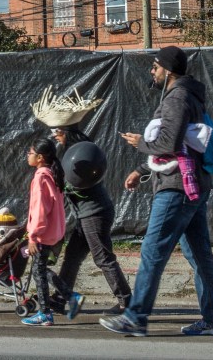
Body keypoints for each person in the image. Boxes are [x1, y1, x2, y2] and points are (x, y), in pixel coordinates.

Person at [100, 46, 213, 338]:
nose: (152, 71)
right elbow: (184, 148)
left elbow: (169, 144)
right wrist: (142, 169)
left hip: (175, 189)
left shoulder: (177, 98)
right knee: (199, 255)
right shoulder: (191, 97)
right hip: (192, 185)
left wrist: (140, 144)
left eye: (155, 66)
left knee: (152, 251)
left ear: (168, 70)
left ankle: (135, 317)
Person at [49, 125, 132, 318]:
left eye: (58, 132)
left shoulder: (81, 156)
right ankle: (60, 299)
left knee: (103, 257)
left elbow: (71, 184)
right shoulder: (74, 152)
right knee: (72, 256)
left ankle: (127, 301)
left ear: (67, 132)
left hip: (94, 214)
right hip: (86, 214)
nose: (55, 136)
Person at [20, 137, 67, 327]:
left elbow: (40, 209)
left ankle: (45, 313)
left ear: (39, 157)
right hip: (53, 233)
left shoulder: (40, 177)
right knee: (40, 270)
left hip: (42, 234)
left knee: (39, 273)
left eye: (30, 153)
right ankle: (69, 296)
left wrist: (33, 236)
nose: (27, 156)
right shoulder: (53, 174)